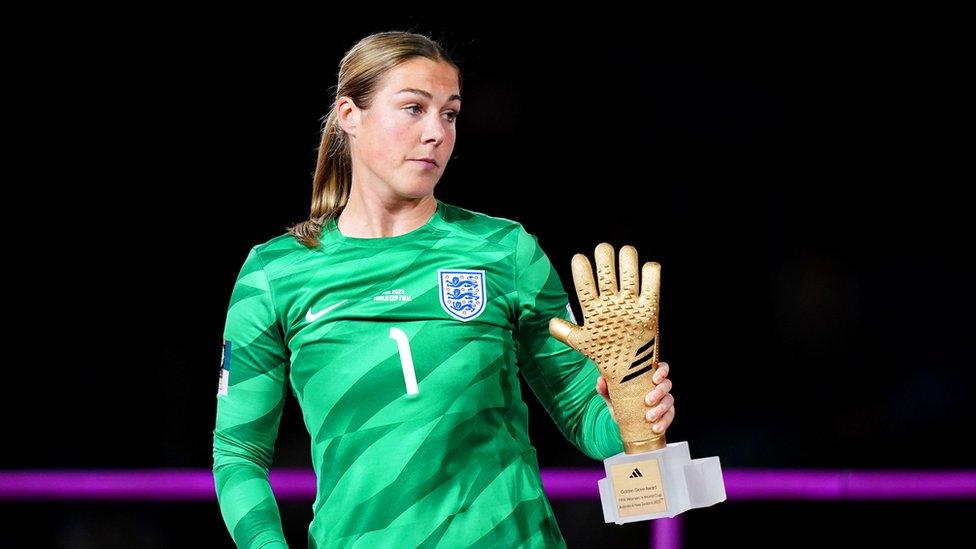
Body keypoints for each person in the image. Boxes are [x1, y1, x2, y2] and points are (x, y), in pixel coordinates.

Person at [212, 30, 675, 549]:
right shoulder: (275, 271)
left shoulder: (505, 250)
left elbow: (585, 419)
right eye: (414, 108)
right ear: (350, 115)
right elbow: (237, 455)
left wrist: (633, 418)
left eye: (449, 113)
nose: (436, 132)